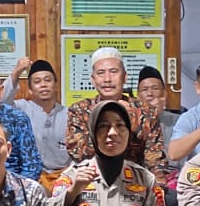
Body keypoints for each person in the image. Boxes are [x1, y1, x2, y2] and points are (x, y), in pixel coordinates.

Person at [64, 48, 167, 178]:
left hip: (137, 181)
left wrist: (130, 122)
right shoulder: (80, 110)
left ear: (124, 77)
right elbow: (79, 153)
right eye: (101, 73)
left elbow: (155, 159)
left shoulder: (146, 112)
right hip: (92, 179)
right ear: (93, 79)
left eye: (113, 72)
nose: (107, 79)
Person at [5, 57, 71, 187]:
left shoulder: (69, 114)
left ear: (55, 85)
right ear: (30, 89)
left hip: (63, 177)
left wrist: (68, 174)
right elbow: (1, 102)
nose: (43, 85)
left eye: (48, 80)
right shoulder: (21, 108)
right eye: (37, 81)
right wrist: (17, 71)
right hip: (30, 177)